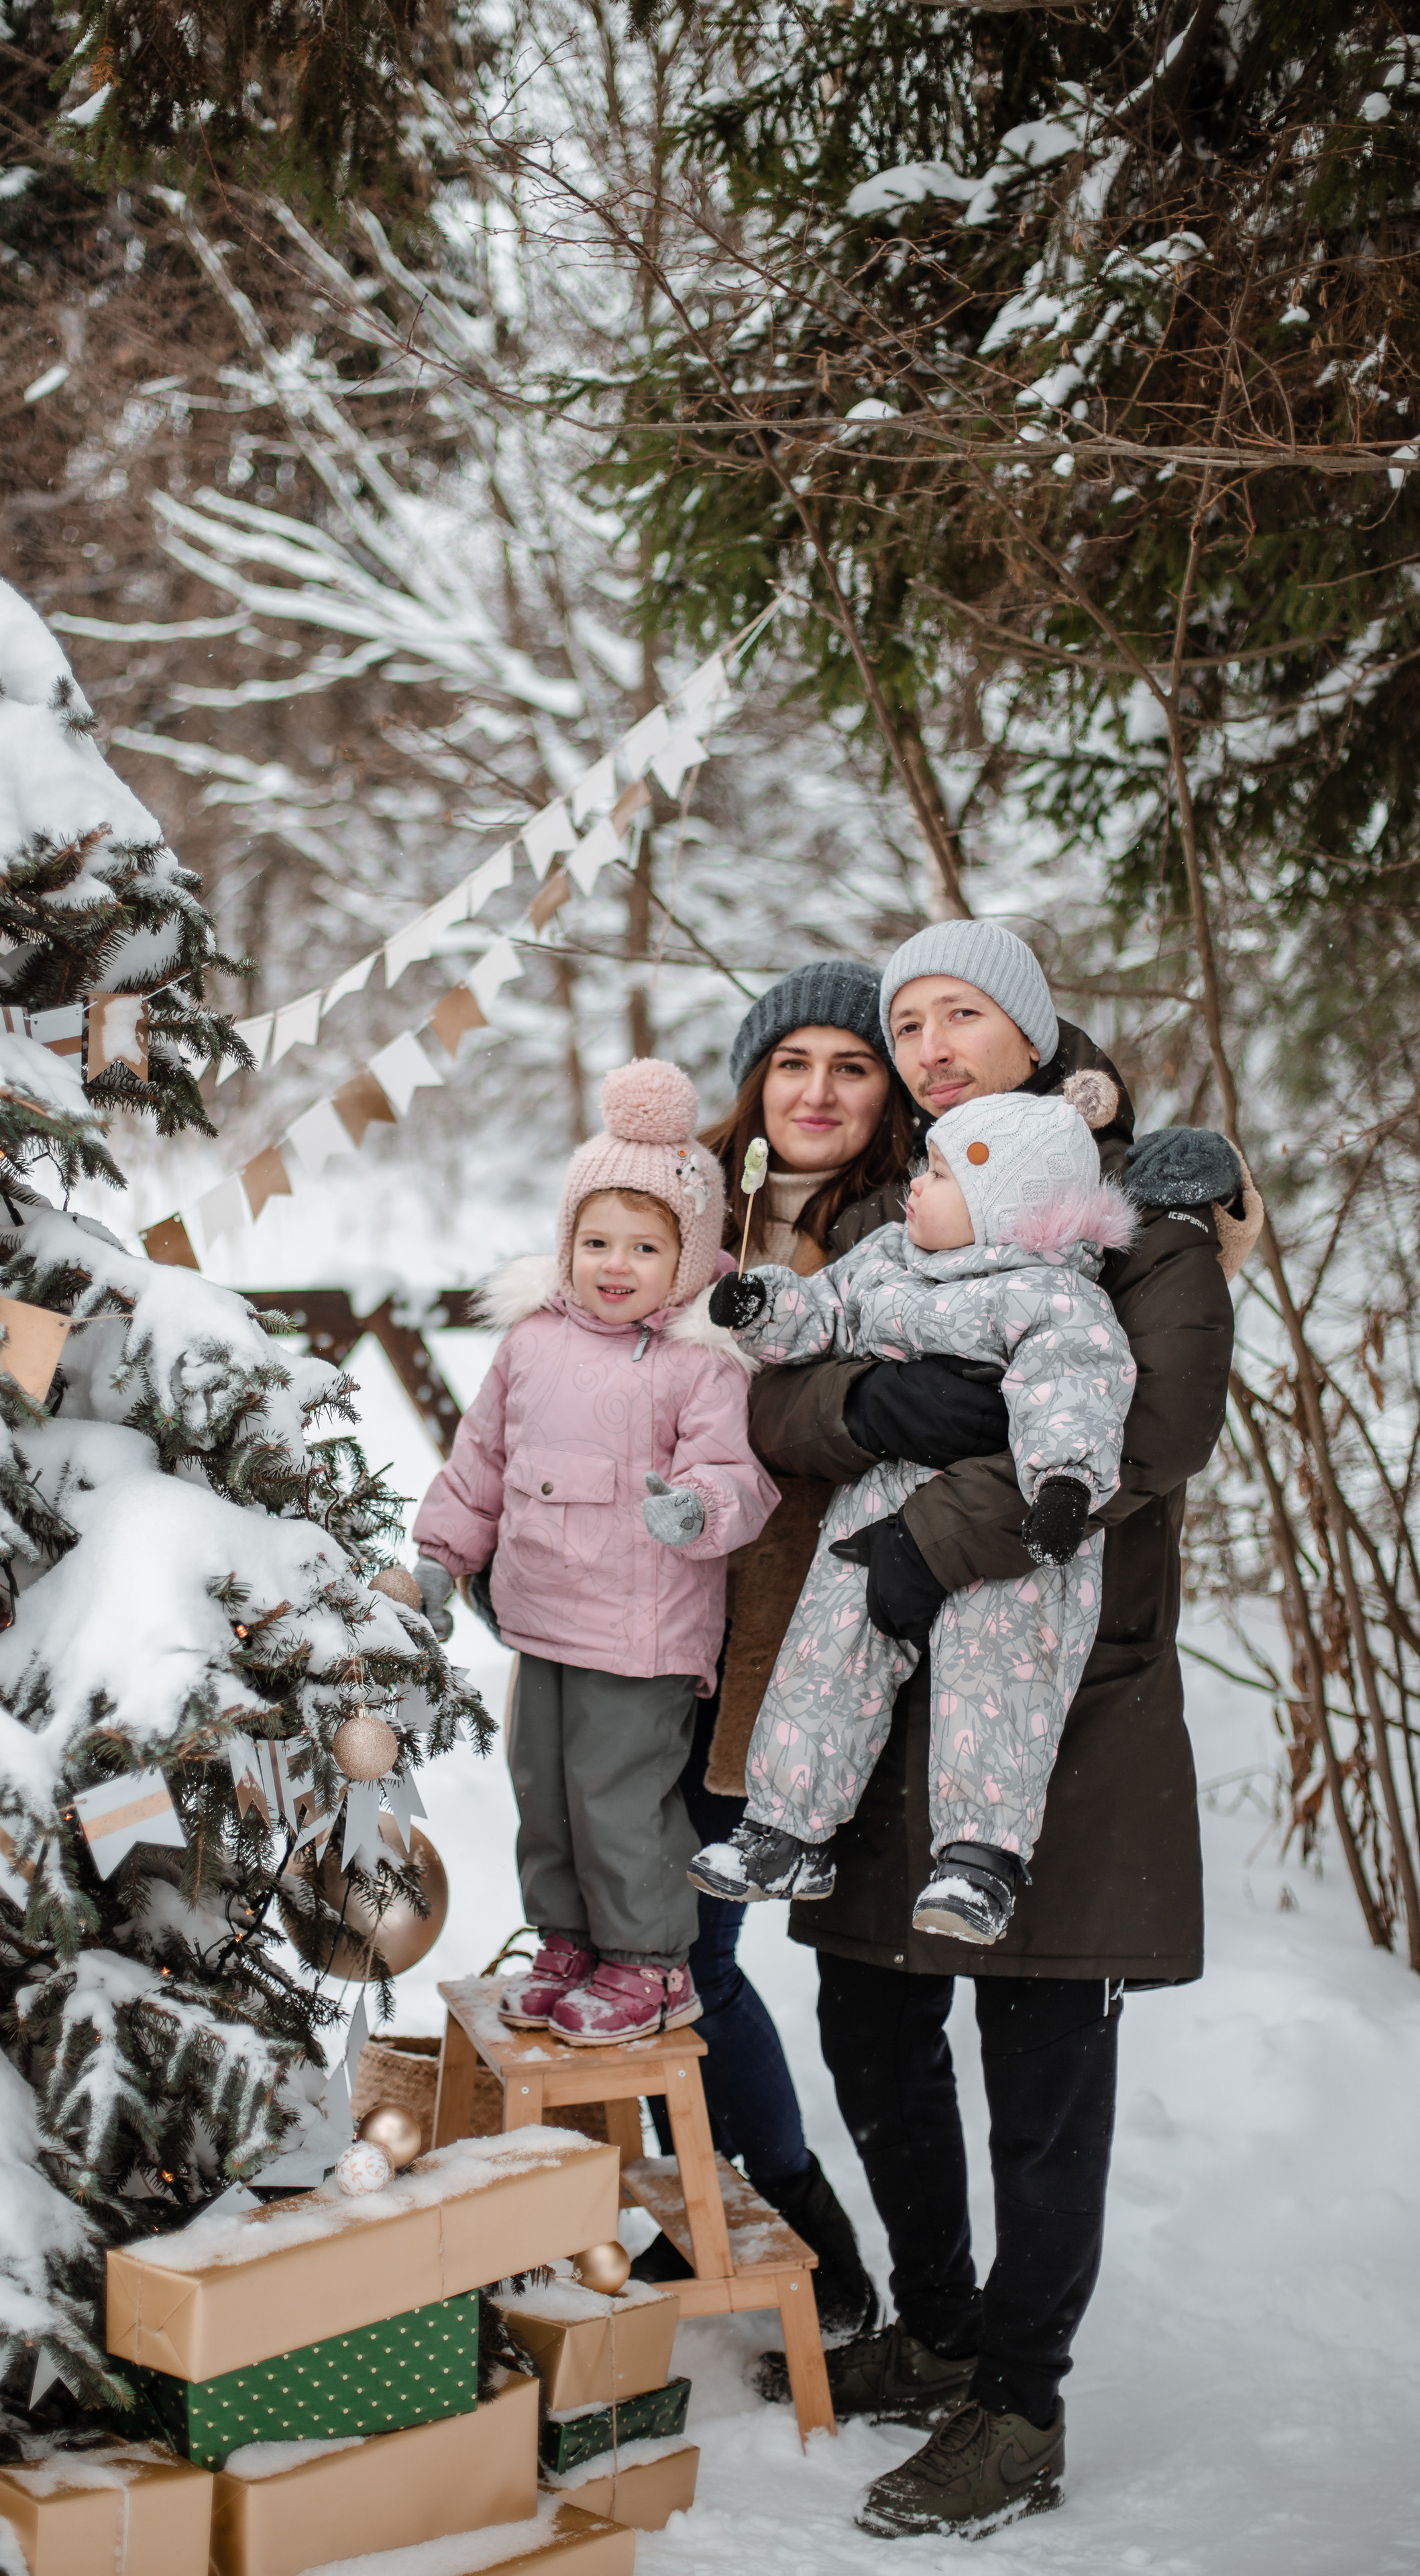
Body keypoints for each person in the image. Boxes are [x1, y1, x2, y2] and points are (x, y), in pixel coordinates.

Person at [739, 922, 1250, 2539]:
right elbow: (775, 1394)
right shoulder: (903, 1216)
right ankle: (938, 2321)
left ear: (1031, 1036)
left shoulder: (1145, 1236)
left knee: (1035, 2062)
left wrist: (924, 1530)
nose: (929, 1042)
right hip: (888, 1711)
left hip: (1064, 1713)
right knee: (868, 2030)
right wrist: (863, 1409)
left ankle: (1016, 2402)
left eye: (962, 1012)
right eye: (905, 1022)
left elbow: (1141, 1437)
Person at [694, 1084, 1138, 1945]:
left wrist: (1063, 1486)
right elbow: (822, 1313)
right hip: (877, 1502)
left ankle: (981, 1859)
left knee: (999, 1677)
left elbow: (1075, 1392)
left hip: (1007, 1528)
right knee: (823, 1656)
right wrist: (765, 1310)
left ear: (1003, 1205)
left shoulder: (1054, 1299)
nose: (915, 1186)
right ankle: (786, 1830)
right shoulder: (889, 1257)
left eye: (938, 1174)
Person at [633, 964, 912, 2331]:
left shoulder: (910, 1230)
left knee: (692, 1953)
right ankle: (675, 2212)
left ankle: (804, 2234)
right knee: (617, 1940)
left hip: (779, 1645)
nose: (813, 1091)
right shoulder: (693, 1212)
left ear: (889, 1091)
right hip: (639, 1627)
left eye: (849, 1066)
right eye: (789, 1061)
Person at [411, 1059, 779, 2046]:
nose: (616, 1265)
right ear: (567, 1243)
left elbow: (740, 1478)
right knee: (545, 1795)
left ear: (692, 1255)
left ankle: (652, 1962)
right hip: (543, 1620)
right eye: (597, 1240)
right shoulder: (530, 1343)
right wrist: (440, 1559)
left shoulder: (701, 1363)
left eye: (647, 1247)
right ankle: (570, 1938)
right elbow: (480, 1459)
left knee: (619, 1801)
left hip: (644, 1629)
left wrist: (696, 1509)